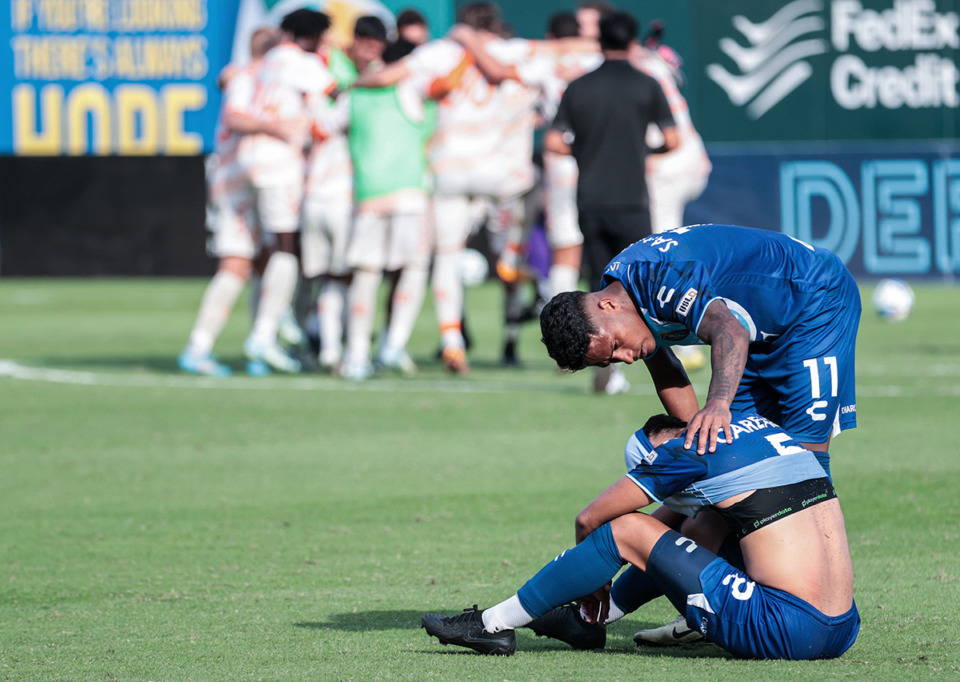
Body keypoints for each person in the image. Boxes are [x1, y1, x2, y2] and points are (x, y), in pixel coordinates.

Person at [421, 412, 860, 660]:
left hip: (786, 626)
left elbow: (590, 519)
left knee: (629, 527)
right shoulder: (754, 430)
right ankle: (590, 621)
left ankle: (492, 626)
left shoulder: (682, 453)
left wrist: (595, 579)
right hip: (842, 627)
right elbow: (685, 528)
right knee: (698, 524)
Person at [543, 10, 678, 395]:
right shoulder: (647, 84)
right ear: (632, 41)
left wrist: (585, 151)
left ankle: (606, 367)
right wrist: (642, 149)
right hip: (632, 199)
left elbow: (553, 142)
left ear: (599, 41)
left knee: (598, 285)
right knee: (644, 289)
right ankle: (660, 360)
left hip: (591, 199)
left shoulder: (580, 86)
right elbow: (672, 139)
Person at [178, 27, 286, 377]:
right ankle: (200, 346)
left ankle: (259, 343)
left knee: (262, 262)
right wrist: (278, 129)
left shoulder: (245, 75)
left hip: (242, 179)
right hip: (238, 182)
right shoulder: (254, 78)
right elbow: (235, 114)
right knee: (240, 263)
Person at [237, 9, 334, 374]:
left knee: (268, 249)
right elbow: (335, 91)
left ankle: (270, 325)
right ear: (311, 37)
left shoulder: (270, 59)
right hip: (279, 162)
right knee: (286, 247)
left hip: (250, 160)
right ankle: (266, 331)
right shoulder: (299, 60)